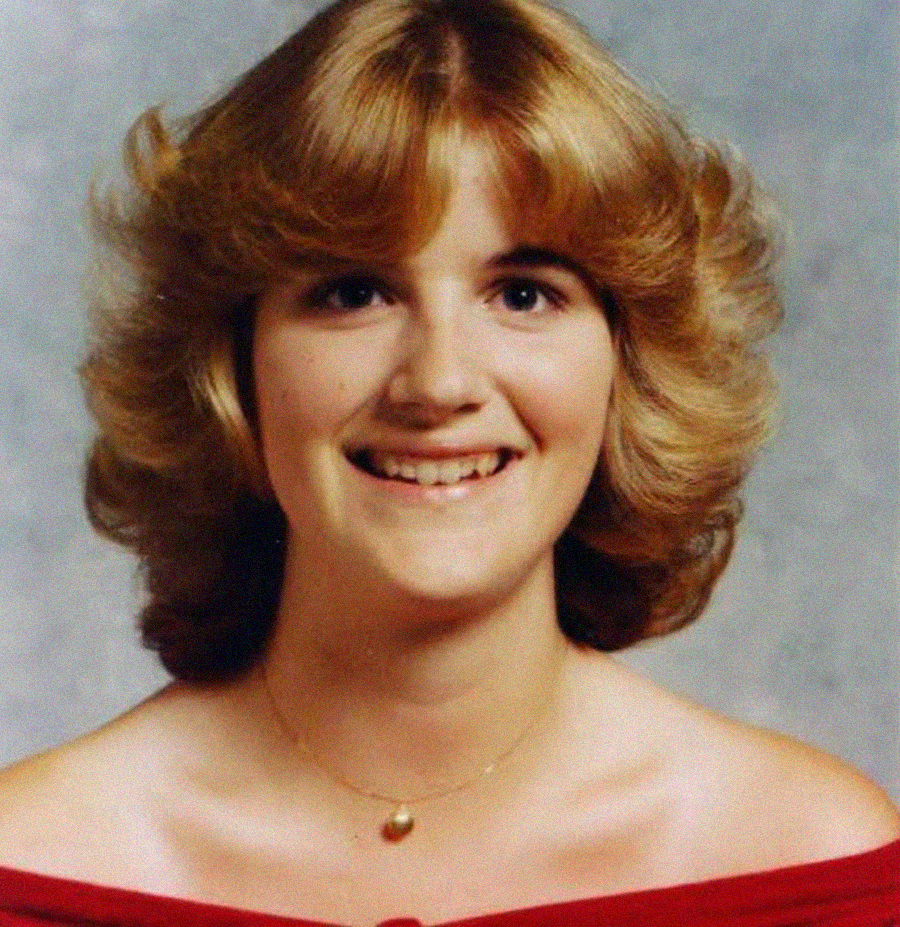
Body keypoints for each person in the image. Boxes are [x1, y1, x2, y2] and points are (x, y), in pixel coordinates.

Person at [0, 0, 897, 923]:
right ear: (231, 364)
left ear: (631, 362)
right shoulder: (33, 863)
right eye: (353, 291)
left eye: (523, 293)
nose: (438, 381)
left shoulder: (807, 861)